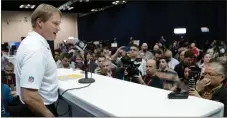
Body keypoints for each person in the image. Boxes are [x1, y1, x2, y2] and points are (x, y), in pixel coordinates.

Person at [14, 4, 61, 117]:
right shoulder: (36, 49)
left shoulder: (36, 43)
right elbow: (29, 96)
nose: (59, 28)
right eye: (55, 23)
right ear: (40, 22)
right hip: (38, 110)